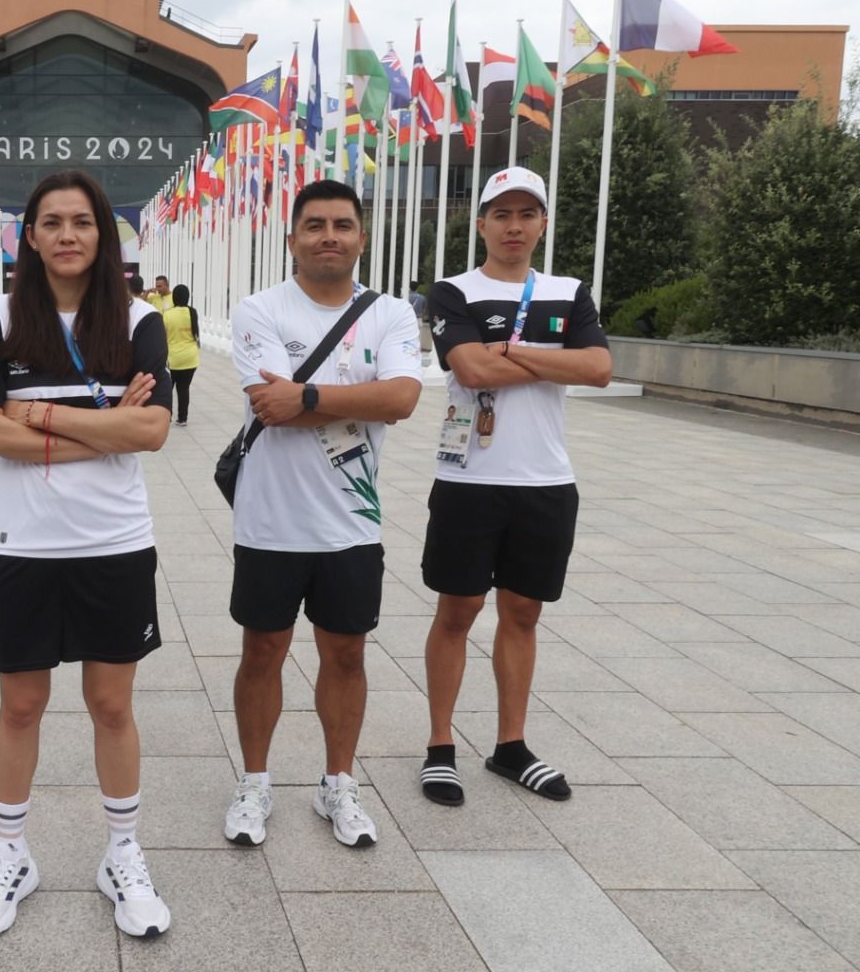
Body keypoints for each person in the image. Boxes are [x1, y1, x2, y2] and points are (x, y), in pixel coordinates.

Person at [0, 170, 173, 939]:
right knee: (20, 704)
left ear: (104, 235)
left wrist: (40, 415)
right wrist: (99, 423)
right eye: (52, 221)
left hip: (114, 544)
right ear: (32, 235)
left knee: (111, 705)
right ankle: (11, 852)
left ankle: (123, 852)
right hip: (19, 548)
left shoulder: (140, 321)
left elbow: (151, 433)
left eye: (83, 221)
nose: (68, 234)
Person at [223, 180, 423, 849]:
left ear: (362, 237)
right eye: (314, 225)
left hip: (351, 525)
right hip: (270, 521)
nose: (329, 235)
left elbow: (400, 400)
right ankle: (254, 780)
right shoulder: (260, 308)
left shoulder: (391, 313)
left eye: (342, 224)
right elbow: (270, 405)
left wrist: (311, 393)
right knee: (263, 652)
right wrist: (361, 395)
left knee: (347, 654)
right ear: (293, 240)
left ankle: (339, 781)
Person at [418, 166, 611, 806]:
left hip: (546, 480)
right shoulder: (452, 290)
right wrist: (542, 356)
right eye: (501, 214)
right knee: (458, 612)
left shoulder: (569, 290)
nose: (514, 226)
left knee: (523, 614)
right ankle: (440, 746)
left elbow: (599, 368)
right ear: (481, 223)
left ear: (543, 224)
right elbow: (469, 369)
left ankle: (510, 747)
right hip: (470, 480)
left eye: (527, 214)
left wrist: (507, 350)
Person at [163, 284, 201, 426]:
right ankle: (183, 418)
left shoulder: (167, 314)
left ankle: (167, 416)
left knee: (168, 389)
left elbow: (162, 336)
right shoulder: (192, 312)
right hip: (191, 358)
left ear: (174, 297)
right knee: (184, 388)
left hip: (173, 359)